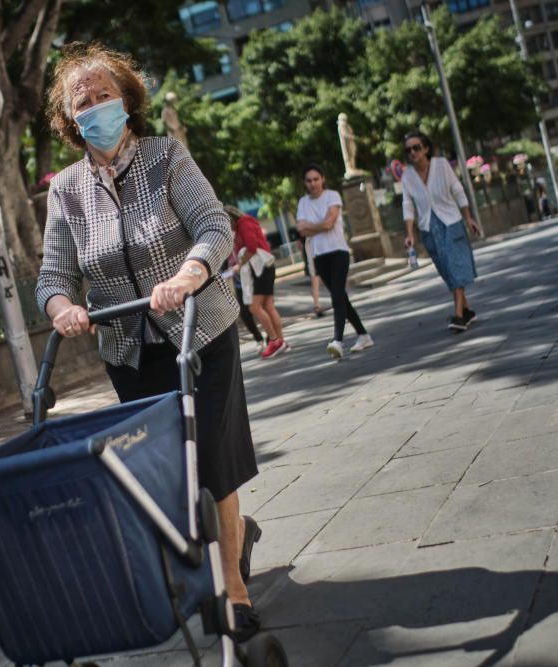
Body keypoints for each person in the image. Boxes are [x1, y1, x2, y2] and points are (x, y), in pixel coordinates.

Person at [36, 43, 262, 640]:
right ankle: (227, 540)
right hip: (130, 351)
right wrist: (63, 309)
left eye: (103, 94)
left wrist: (188, 274)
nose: (93, 105)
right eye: (80, 101)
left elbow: (213, 225)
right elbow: (54, 277)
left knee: (212, 464)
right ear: (69, 119)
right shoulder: (65, 191)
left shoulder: (166, 156)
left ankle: (234, 587)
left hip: (200, 330)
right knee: (164, 477)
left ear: (127, 101)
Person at [401, 131, 481, 332]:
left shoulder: (441, 165)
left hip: (451, 222)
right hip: (428, 228)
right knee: (446, 270)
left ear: (426, 148)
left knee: (454, 267)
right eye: (408, 149)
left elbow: (458, 190)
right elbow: (408, 204)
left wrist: (468, 217)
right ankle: (468, 309)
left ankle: (459, 316)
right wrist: (409, 233)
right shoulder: (408, 175)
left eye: (416, 147)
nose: (413, 152)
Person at [296, 164, 373, 359]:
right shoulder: (303, 203)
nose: (313, 183)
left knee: (337, 295)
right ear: (305, 183)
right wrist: (317, 226)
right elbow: (301, 230)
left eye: (316, 179)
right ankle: (363, 335)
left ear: (322, 179)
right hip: (319, 255)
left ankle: (337, 340)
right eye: (309, 180)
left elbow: (330, 224)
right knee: (342, 298)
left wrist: (311, 226)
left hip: (338, 251)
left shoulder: (333, 196)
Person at [225, 205, 289, 359]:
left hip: (261, 269)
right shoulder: (244, 224)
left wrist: (240, 264)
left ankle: (274, 341)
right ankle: (281, 341)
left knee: (254, 307)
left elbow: (252, 247)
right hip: (264, 268)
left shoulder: (244, 224)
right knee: (268, 305)